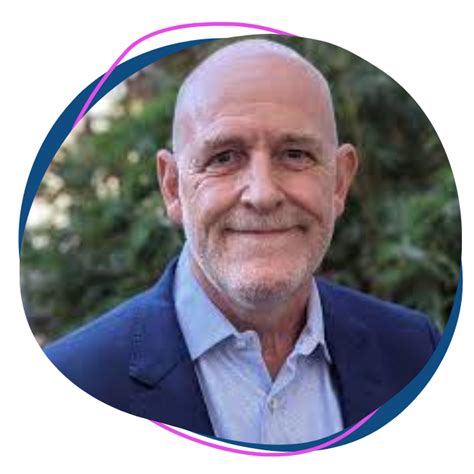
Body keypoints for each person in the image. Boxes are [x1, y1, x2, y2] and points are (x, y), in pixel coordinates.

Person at [45, 39, 440, 445]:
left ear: (339, 182)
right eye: (224, 157)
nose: (263, 194)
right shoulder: (70, 388)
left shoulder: (415, 354)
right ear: (173, 187)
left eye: (295, 154)